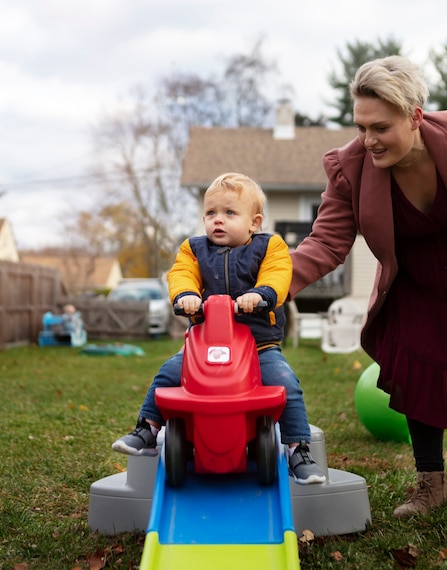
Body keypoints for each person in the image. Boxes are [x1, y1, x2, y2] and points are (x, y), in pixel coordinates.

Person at [289, 55, 447, 517]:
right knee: (422, 372)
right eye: (361, 127)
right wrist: (271, 284)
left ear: (415, 116)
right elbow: (325, 243)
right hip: (412, 284)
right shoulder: (351, 168)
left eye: (380, 127)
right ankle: (431, 484)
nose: (368, 140)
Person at [113, 172, 325, 484]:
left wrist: (262, 294)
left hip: (258, 347)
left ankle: (297, 449)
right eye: (211, 213)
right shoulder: (194, 249)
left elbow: (278, 274)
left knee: (285, 384)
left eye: (229, 213)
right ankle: (147, 429)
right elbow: (182, 273)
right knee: (169, 373)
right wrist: (185, 296)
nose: (218, 221)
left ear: (254, 222)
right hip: (205, 345)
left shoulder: (270, 247)